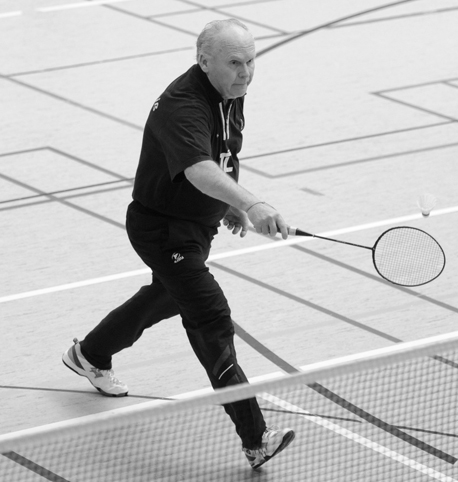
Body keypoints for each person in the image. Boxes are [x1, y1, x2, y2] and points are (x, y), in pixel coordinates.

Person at [62, 18, 295, 470]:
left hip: (195, 226)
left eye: (251, 61)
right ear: (203, 61)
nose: (245, 72)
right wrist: (254, 202)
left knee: (168, 294)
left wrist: (227, 205)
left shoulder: (230, 92)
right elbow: (197, 169)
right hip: (162, 229)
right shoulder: (182, 104)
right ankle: (255, 437)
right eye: (234, 63)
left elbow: (221, 155)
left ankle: (89, 354)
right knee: (210, 315)